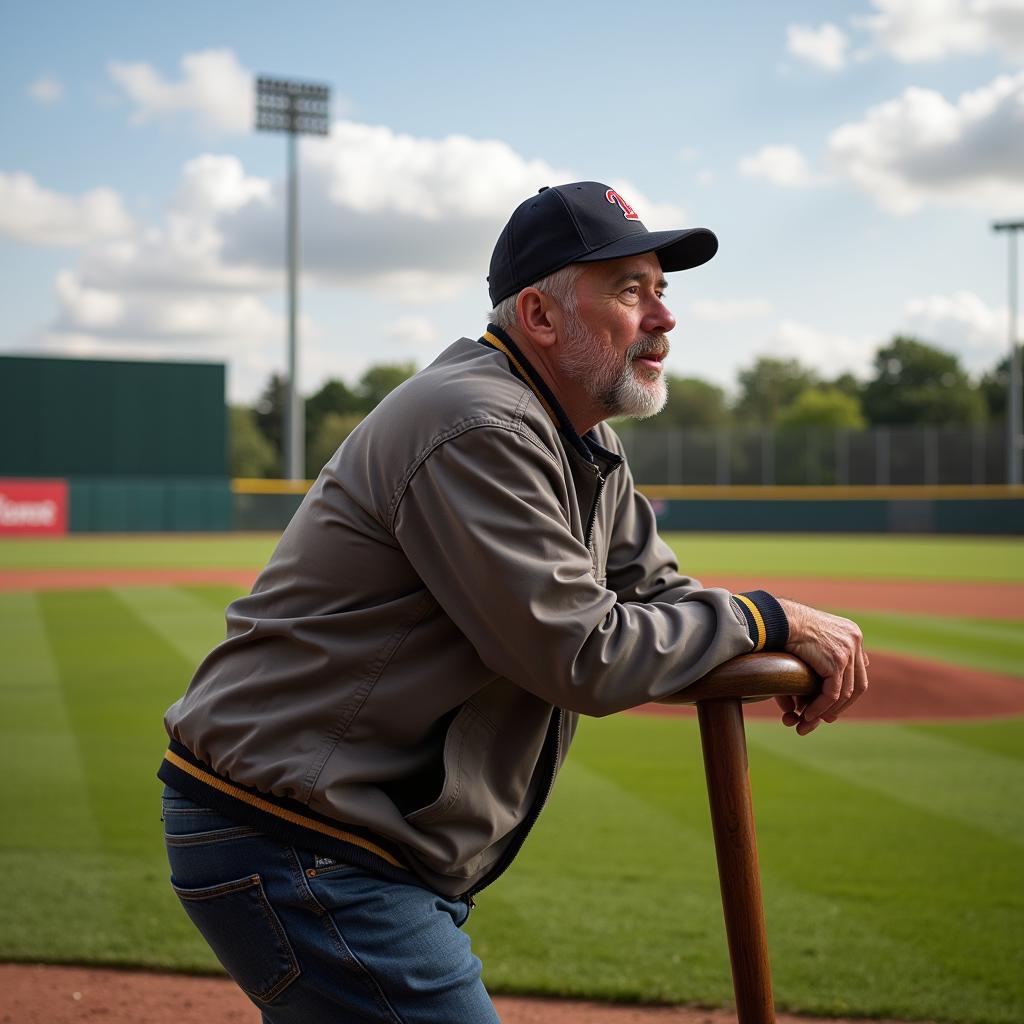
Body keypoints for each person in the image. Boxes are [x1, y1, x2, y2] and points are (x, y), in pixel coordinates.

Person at [158, 180, 868, 1023]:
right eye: (630, 290)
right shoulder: (478, 424)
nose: (664, 317)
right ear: (537, 314)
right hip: (301, 843)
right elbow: (584, 655)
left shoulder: (581, 437)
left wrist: (736, 629)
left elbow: (659, 595)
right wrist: (765, 619)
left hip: (333, 839)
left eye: (663, 290)